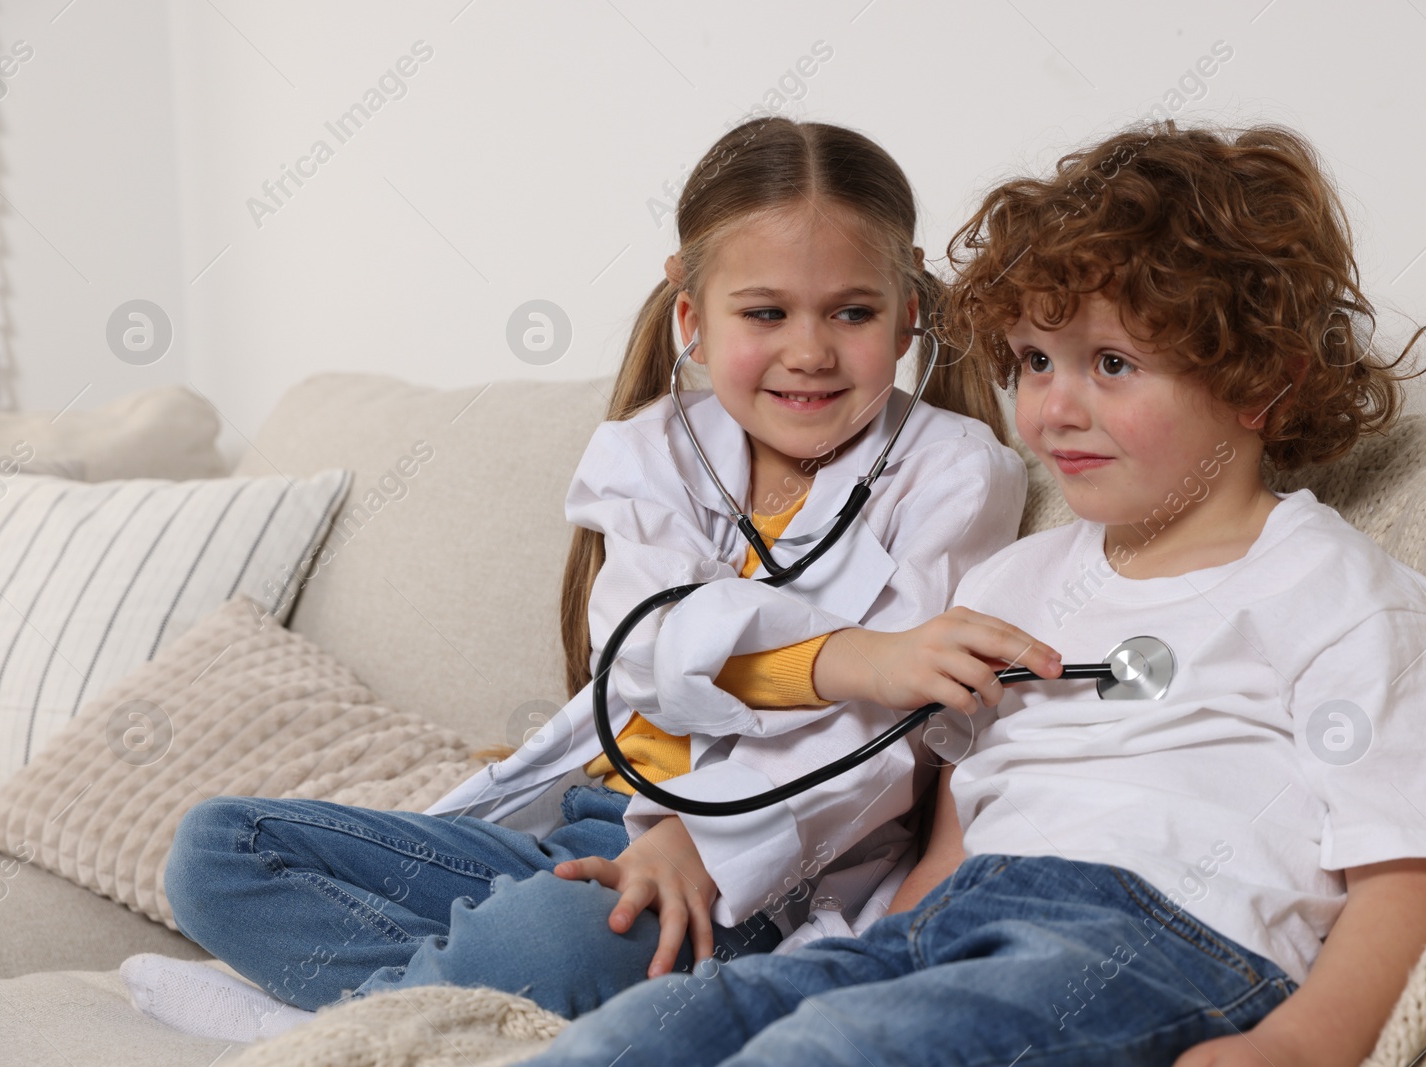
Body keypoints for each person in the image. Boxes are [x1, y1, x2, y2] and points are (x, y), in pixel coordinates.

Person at [519, 121, 1426, 1067]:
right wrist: (873, 954)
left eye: (1110, 363)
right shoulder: (1013, 581)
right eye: (1033, 359)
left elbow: (1410, 864)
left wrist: (1297, 1044)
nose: (1052, 409)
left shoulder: (1340, 589)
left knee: (833, 1049)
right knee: (647, 1032)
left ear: (1261, 380)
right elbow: (955, 830)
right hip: (952, 921)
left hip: (1154, 939)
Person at [122, 116, 1028, 1042]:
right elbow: (644, 647)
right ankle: (452, 987)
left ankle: (317, 1021)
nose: (810, 350)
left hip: (760, 876)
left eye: (852, 311)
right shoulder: (651, 453)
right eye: (765, 313)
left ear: (909, 305)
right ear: (693, 318)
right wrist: (853, 654)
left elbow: (887, 734)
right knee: (216, 849)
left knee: (544, 943)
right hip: (590, 824)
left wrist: (706, 842)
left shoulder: (956, 475)